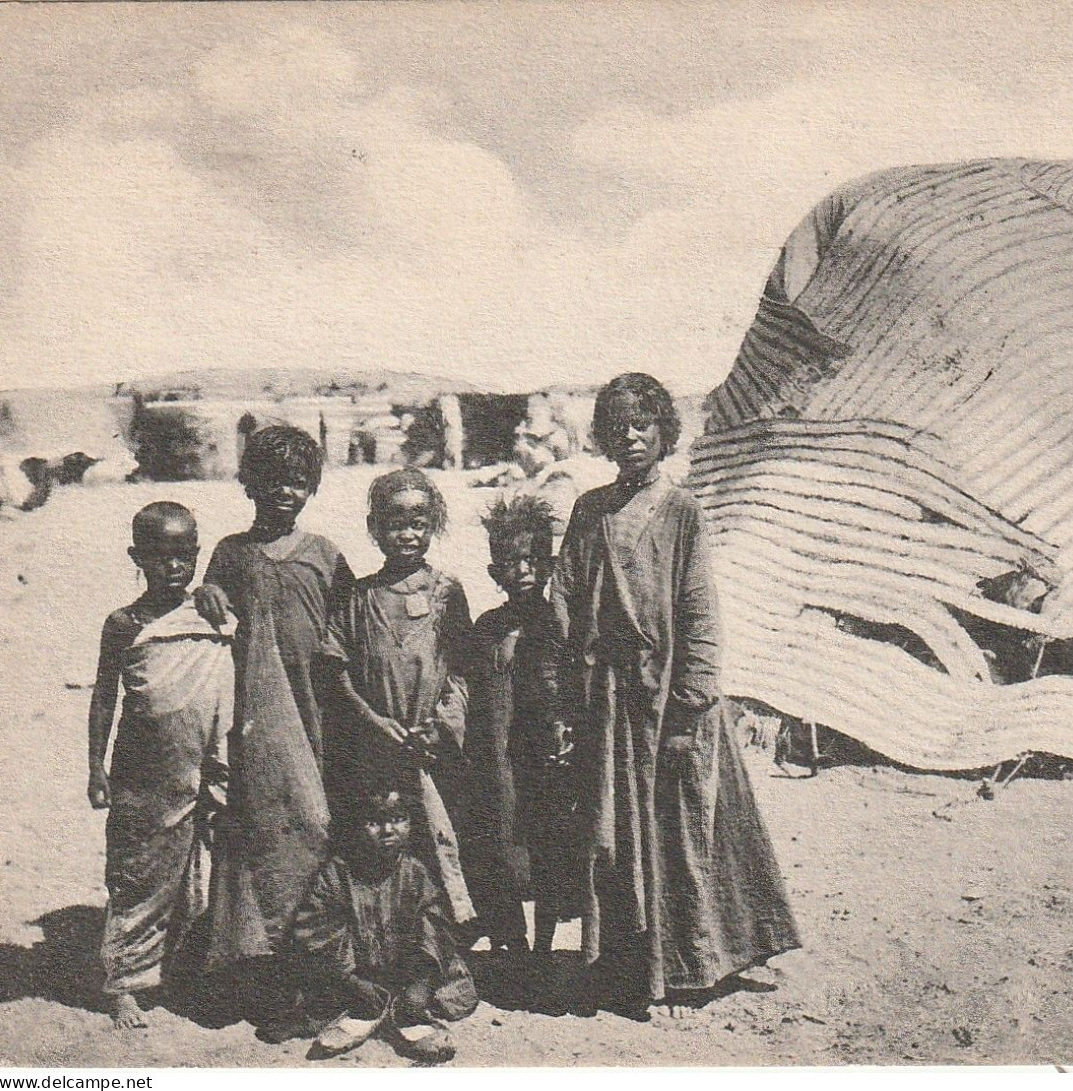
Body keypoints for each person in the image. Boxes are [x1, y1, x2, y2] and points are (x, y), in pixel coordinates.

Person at [549, 372, 801, 1019]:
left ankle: (695, 966)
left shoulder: (683, 511)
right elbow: (566, 598)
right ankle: (629, 964)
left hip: (673, 704)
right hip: (612, 705)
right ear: (604, 437)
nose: (630, 435)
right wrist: (571, 688)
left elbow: (697, 610)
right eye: (618, 425)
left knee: (688, 832)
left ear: (664, 432)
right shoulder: (589, 510)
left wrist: (692, 697)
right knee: (619, 835)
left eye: (643, 423)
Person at [194, 425, 353, 982]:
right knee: (254, 817)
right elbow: (208, 601)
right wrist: (205, 592)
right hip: (254, 713)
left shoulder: (326, 556)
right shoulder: (231, 553)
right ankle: (249, 949)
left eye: (297, 483)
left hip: (316, 711)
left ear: (310, 488)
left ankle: (314, 948)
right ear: (249, 486)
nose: (285, 493)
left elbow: (346, 623)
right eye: (272, 482)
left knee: (315, 814)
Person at [87, 502, 232, 1028]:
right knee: (138, 872)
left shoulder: (212, 610)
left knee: (197, 871)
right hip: (144, 770)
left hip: (205, 766)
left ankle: (179, 969)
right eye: (161, 556)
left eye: (186, 555)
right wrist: (95, 768)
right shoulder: (124, 623)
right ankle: (125, 982)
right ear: (137, 557)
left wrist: (212, 592)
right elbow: (105, 697)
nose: (175, 566)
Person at [320, 469, 474, 928]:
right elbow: (335, 668)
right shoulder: (358, 597)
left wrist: (439, 725)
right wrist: (372, 721)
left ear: (434, 525)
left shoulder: (447, 593)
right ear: (375, 528)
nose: (407, 533)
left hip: (430, 751)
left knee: (437, 843)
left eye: (419, 522)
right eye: (395, 522)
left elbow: (463, 673)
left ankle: (440, 948)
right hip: (374, 750)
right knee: (379, 846)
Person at [461, 493, 579, 973]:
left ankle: (546, 945)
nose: (524, 570)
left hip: (541, 757)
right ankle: (511, 940)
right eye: (511, 561)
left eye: (533, 559)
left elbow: (570, 688)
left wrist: (566, 733)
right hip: (495, 754)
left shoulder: (559, 622)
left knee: (547, 846)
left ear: (549, 565)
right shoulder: (487, 626)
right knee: (496, 845)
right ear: (495, 573)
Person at [292, 780, 476, 1064]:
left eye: (398, 820)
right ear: (355, 825)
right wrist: (353, 981)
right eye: (374, 822)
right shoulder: (336, 875)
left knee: (456, 993)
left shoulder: (417, 874)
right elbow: (317, 932)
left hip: (410, 974)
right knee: (316, 1001)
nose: (388, 831)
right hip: (355, 976)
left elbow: (436, 929)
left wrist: (422, 983)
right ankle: (368, 1009)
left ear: (412, 823)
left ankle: (405, 1008)